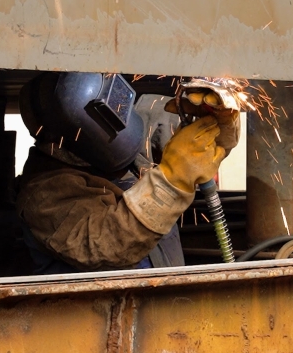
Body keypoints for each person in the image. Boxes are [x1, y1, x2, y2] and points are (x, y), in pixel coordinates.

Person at [14, 72, 239, 274]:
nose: (119, 129)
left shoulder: (130, 119)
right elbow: (109, 245)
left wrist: (218, 117)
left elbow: (206, 145)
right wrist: (171, 182)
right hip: (108, 317)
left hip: (167, 306)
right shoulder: (44, 196)